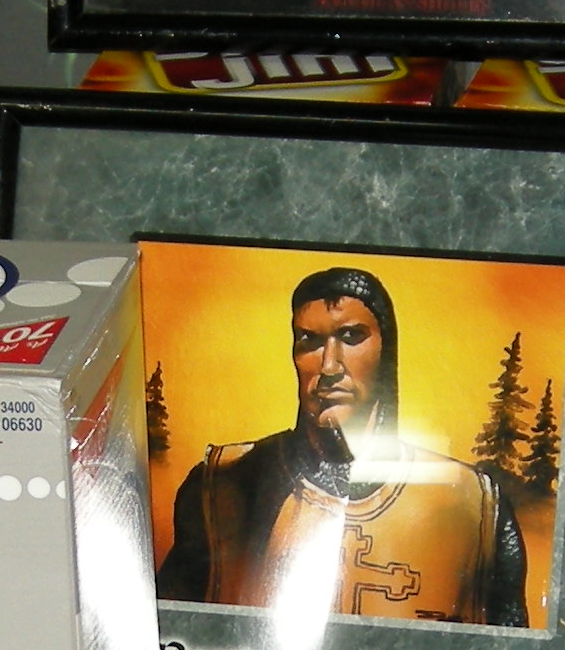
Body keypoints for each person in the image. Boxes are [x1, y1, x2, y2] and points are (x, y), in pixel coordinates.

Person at [156, 265, 529, 626]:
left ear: (385, 351)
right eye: (310, 341)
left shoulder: (473, 508)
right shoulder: (220, 489)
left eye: (351, 337)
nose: (329, 366)